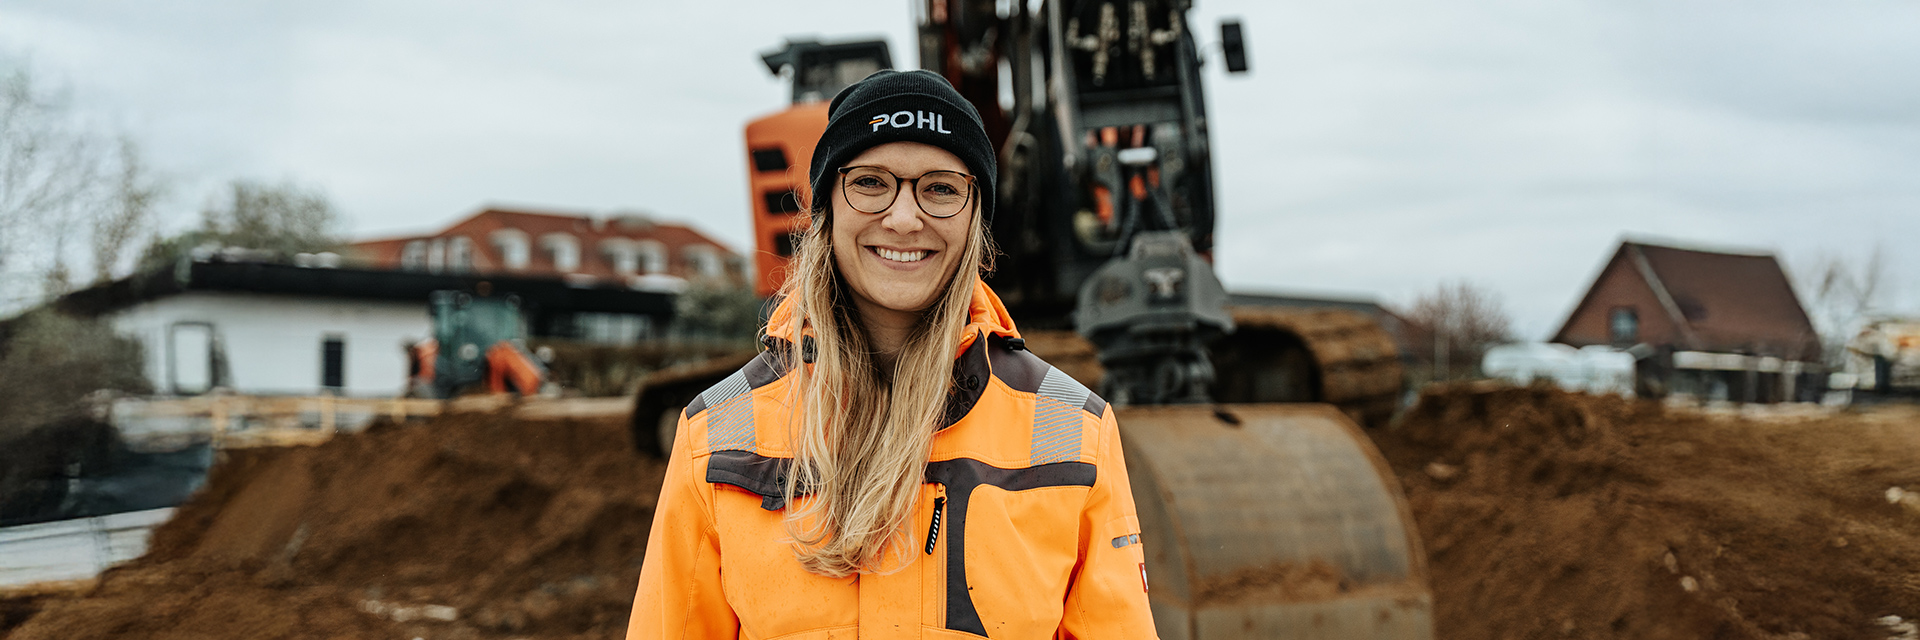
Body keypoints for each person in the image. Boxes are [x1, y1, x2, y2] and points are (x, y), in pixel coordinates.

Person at [628, 70, 1156, 639]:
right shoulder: (717, 434)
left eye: (941, 188)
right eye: (871, 183)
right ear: (828, 207)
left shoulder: (1074, 432)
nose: (904, 219)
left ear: (975, 217)